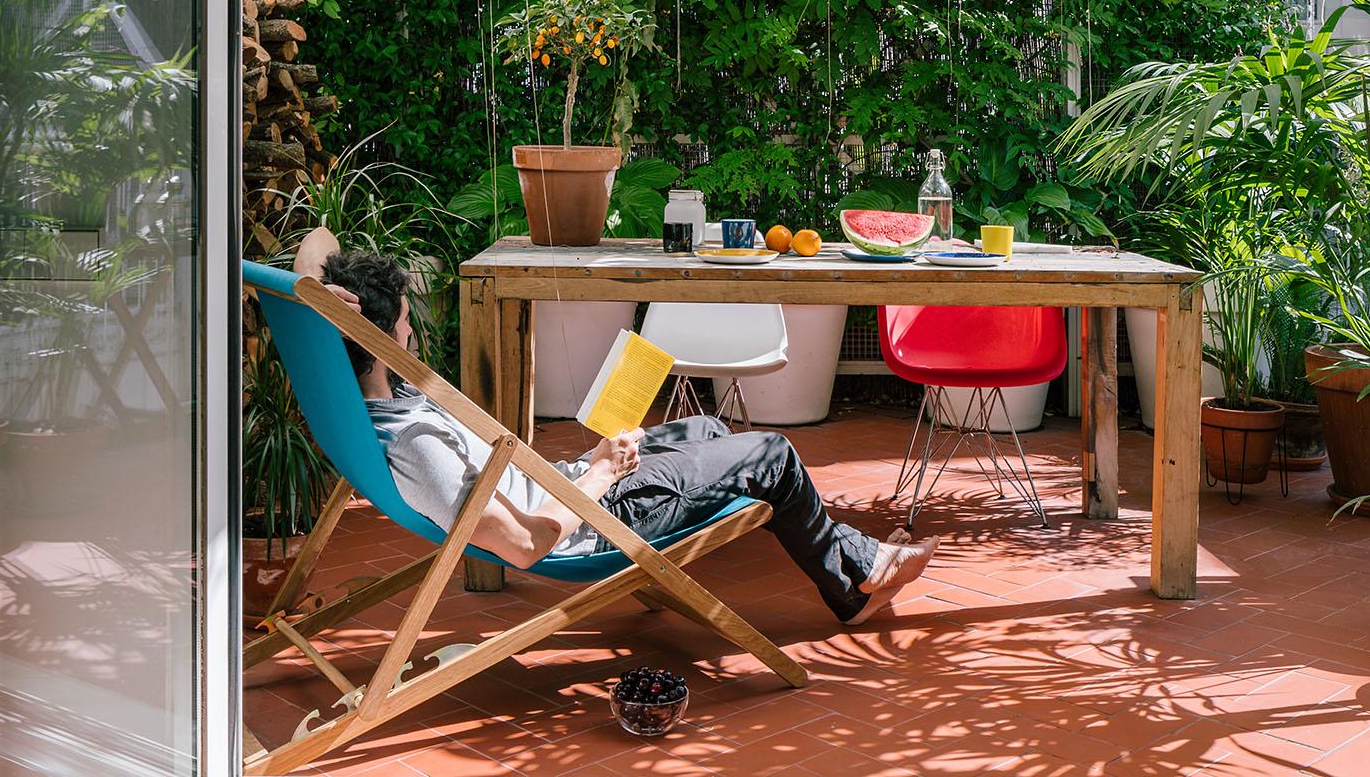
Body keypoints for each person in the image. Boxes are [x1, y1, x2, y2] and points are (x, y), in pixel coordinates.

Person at [300, 231, 937, 624]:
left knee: (708, 430)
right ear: (381, 343)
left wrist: (318, 295)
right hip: (595, 522)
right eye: (405, 323)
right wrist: (602, 470)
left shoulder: (382, 399)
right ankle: (854, 584)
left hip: (571, 485)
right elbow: (524, 547)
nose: (413, 330)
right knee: (771, 452)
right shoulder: (417, 442)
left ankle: (852, 554)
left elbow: (317, 243)